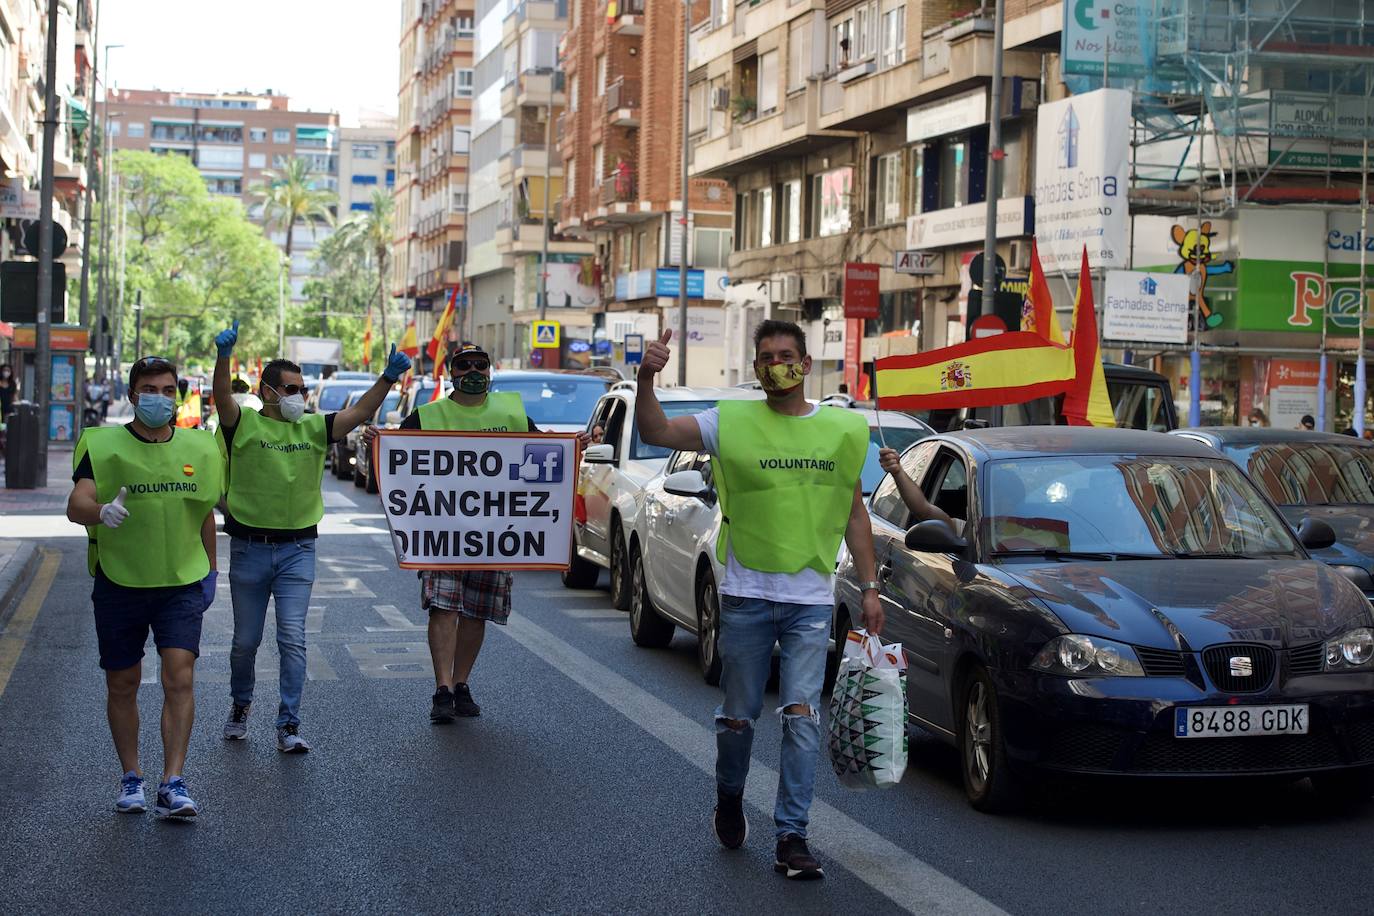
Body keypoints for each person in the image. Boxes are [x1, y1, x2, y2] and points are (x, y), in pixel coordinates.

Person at [633, 320, 882, 882]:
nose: (776, 364)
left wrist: (869, 588)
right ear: (755, 366)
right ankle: (729, 796)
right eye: (766, 356)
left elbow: (853, 513)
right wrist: (646, 378)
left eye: (786, 355)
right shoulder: (731, 421)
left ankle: (792, 836)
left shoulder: (842, 431)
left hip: (812, 601)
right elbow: (656, 432)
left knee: (800, 716)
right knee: (738, 719)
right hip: (746, 597)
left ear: (806, 362)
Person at [363, 344, 591, 723]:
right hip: (441, 536)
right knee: (443, 606)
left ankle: (461, 682)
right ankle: (442, 690)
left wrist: (571, 448)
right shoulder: (428, 415)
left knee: (476, 611)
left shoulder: (512, 414)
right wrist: (380, 443)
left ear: (490, 370)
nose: (472, 370)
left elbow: (540, 456)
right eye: (463, 365)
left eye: (479, 364)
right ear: (451, 373)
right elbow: (398, 458)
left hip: (494, 536)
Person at [212, 319, 411, 752]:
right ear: (267, 391)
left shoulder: (314, 427)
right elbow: (222, 398)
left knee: (292, 638)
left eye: (302, 389)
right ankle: (240, 704)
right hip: (248, 550)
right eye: (290, 389)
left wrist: (389, 378)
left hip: (298, 550)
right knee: (245, 642)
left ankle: (288, 723)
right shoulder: (242, 424)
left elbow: (360, 413)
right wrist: (223, 356)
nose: (299, 396)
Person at [65, 356, 223, 818]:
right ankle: (131, 777)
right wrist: (100, 513)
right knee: (123, 682)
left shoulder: (199, 445)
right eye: (150, 389)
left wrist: (212, 572)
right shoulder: (102, 442)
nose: (159, 397)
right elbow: (77, 503)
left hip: (181, 582)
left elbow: (205, 514)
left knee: (179, 677)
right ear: (133, 395)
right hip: (121, 579)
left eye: (168, 389)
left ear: (178, 394)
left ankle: (173, 781)